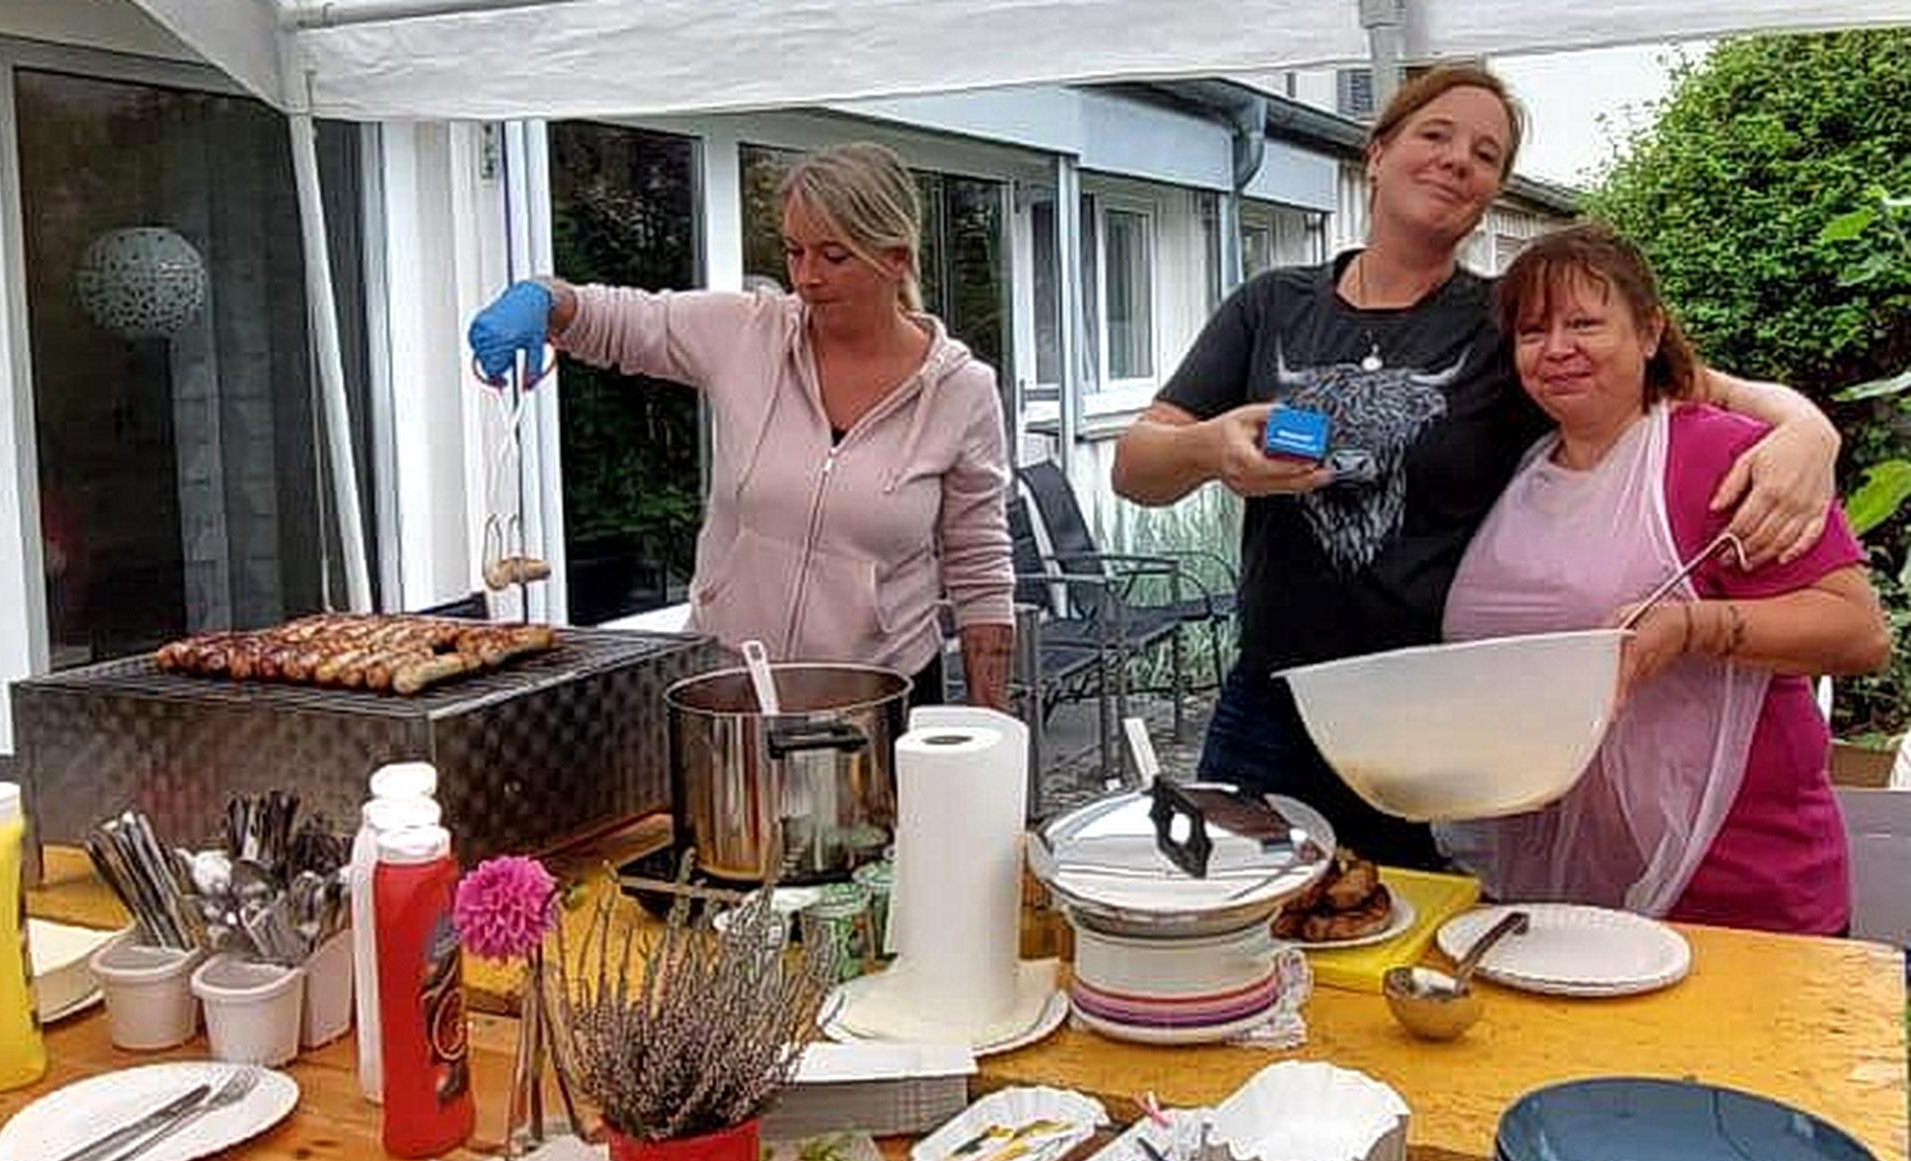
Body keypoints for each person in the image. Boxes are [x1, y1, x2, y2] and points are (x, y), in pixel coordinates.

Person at [1111, 65, 1842, 868]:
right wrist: (1209, 447)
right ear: (1377, 154)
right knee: (1236, 915)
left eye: (1486, 153)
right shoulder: (1271, 304)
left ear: (1492, 190)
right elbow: (1136, 467)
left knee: (1414, 930)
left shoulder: (1512, 322)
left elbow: (1678, 378)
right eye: (1435, 135)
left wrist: (1807, 427)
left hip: (1441, 709)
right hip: (1273, 698)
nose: (1459, 159)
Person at [1437, 224, 1887, 934]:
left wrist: (1692, 625)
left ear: (1649, 332)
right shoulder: (1521, 469)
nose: (1557, 348)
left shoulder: (1727, 453)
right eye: (1532, 330)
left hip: (1739, 890)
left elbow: (1858, 631)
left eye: (1585, 322)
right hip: (1559, 892)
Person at [467, 142, 1014, 709]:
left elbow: (981, 572)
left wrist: (992, 733)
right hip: (727, 687)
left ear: (896, 258)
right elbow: (618, 319)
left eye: (834, 256)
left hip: (877, 697)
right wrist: (541, 299)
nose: (807, 278)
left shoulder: (961, 392)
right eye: (794, 251)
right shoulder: (746, 334)